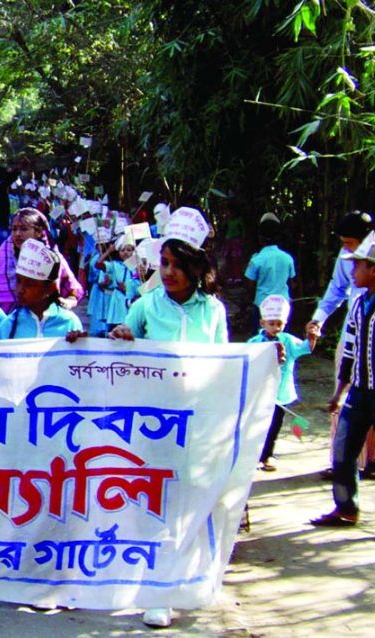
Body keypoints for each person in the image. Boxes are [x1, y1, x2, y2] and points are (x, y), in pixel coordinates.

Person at [108, 206, 226, 629]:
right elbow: (121, 345)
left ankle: (183, 583)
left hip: (195, 428)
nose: (170, 271)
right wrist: (122, 335)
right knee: (152, 507)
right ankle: (155, 591)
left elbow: (226, 368)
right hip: (150, 429)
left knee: (188, 506)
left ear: (196, 267)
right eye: (165, 263)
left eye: (179, 264)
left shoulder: (212, 311)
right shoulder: (145, 306)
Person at [310, 242, 375, 549]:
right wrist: (340, 391)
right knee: (343, 450)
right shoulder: (358, 304)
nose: (353, 271)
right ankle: (346, 507)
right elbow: (350, 349)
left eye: (359, 266)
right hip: (360, 390)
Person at [306, 211, 375, 480]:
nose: (345, 249)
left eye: (349, 242)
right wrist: (318, 320)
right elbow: (336, 289)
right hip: (354, 334)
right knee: (347, 396)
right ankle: (340, 462)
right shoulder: (346, 259)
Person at [248, 295, 320, 471]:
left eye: (279, 324)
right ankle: (254, 454)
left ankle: (268, 455)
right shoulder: (255, 342)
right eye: (271, 323)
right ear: (262, 323)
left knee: (274, 425)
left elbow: (305, 348)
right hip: (259, 392)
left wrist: (312, 337)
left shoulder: (287, 340)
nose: (275, 327)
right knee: (257, 425)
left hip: (280, 393)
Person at [0, 207, 84, 313]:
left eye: (24, 229)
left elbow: (74, 290)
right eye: (14, 229)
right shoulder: (2, 260)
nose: (17, 234)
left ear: (39, 232)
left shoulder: (52, 259)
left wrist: (68, 302)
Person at [0, 238, 84, 340]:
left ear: (50, 288)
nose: (20, 289)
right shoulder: (8, 326)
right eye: (18, 281)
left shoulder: (69, 323)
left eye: (29, 284)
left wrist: (79, 342)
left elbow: (78, 355)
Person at [244, 213, 295, 331]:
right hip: (282, 305)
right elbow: (292, 282)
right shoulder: (287, 258)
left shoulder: (257, 260)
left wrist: (254, 298)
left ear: (260, 238)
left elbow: (250, 284)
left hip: (262, 304)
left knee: (260, 339)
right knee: (282, 337)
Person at [102, 236, 140, 330]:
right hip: (119, 300)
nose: (126, 252)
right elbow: (98, 264)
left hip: (133, 299)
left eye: (129, 250)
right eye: (122, 250)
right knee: (116, 326)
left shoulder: (138, 266)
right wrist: (109, 251)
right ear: (118, 252)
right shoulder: (115, 265)